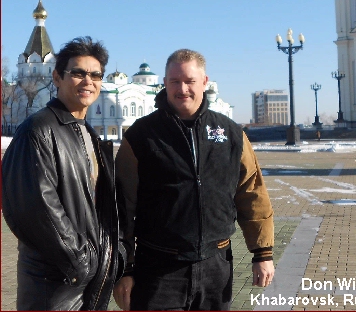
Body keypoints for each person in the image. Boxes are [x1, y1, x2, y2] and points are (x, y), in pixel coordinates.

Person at [113, 49, 274, 311]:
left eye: (190, 81)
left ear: (205, 82)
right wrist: (125, 268)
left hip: (216, 265)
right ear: (164, 83)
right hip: (158, 269)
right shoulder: (141, 135)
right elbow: (122, 206)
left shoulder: (230, 133)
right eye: (175, 81)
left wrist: (262, 253)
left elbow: (251, 192)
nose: (182, 89)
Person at [2, 36, 127, 311]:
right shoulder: (38, 130)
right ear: (57, 77)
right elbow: (36, 208)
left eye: (96, 75)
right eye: (78, 73)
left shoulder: (87, 133)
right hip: (54, 285)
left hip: (85, 282)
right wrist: (82, 262)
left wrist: (112, 256)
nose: (88, 81)